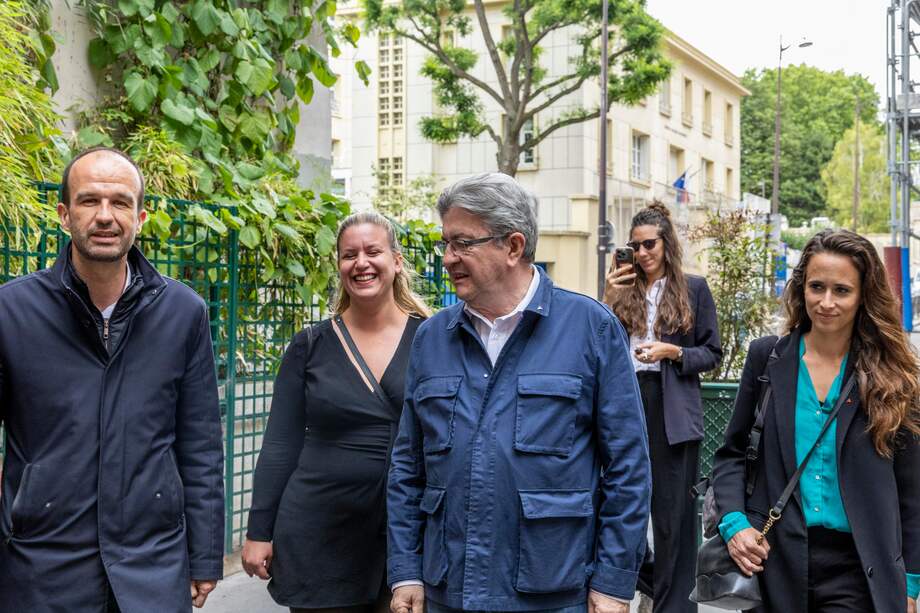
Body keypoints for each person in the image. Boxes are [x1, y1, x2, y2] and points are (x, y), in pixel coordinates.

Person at [387, 173, 650, 613]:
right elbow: (407, 469)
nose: (448, 258)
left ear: (512, 246)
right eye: (446, 243)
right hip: (449, 590)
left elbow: (628, 469)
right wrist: (406, 570)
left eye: (462, 243)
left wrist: (613, 581)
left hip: (554, 592)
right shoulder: (432, 337)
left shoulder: (590, 327)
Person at [0, 147, 225, 611]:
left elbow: (200, 444)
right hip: (41, 565)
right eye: (89, 201)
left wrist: (204, 556)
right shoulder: (11, 312)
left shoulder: (184, 313)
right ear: (64, 214)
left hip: (152, 565)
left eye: (120, 202)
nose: (106, 216)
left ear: (140, 217)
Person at [711, 229, 920, 612]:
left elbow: (912, 490)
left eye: (841, 290)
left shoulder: (893, 375)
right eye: (816, 287)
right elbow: (732, 455)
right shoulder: (766, 359)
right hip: (775, 561)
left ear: (863, 297)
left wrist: (909, 582)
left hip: (861, 567)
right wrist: (735, 523)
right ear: (801, 289)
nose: (826, 302)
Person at [242, 212, 431, 613]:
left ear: (396, 261)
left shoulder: (433, 338)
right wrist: (259, 531)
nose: (360, 263)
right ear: (339, 267)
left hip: (404, 535)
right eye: (349, 255)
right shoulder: (309, 346)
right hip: (319, 533)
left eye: (373, 251)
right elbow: (279, 444)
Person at [603, 203, 722, 613]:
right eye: (634, 246)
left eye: (648, 244)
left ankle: (674, 607)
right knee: (618, 505)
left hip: (671, 407)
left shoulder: (694, 288)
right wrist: (608, 297)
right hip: (626, 400)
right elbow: (600, 342)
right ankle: (652, 582)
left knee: (674, 519)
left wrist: (674, 352)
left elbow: (712, 352)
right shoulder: (622, 288)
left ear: (666, 243)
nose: (641, 253)